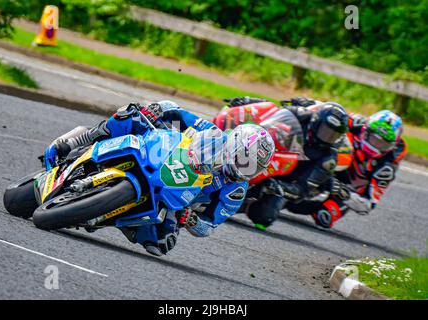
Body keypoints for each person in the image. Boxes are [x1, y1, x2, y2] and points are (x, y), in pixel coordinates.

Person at [44, 100, 275, 255]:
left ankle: (110, 215)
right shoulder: (212, 133)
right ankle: (78, 142)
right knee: (128, 116)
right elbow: (173, 109)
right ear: (234, 144)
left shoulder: (236, 190)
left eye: (254, 166)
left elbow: (209, 226)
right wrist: (153, 110)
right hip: (160, 154)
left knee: (161, 244)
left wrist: (191, 220)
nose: (246, 168)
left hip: (176, 201)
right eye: (245, 159)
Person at [222, 96, 349, 229]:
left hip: (283, 180)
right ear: (316, 121)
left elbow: (302, 190)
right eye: (325, 131)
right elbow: (273, 111)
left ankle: (240, 204)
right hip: (270, 150)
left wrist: (278, 186)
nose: (327, 137)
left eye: (332, 135)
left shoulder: (328, 160)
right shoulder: (302, 115)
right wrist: (249, 103)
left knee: (264, 217)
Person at [287, 109, 406, 228]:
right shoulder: (355, 122)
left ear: (391, 146)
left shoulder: (386, 168)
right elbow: (329, 112)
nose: (374, 145)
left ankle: (316, 196)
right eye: (373, 139)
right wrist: (305, 107)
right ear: (366, 130)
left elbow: (367, 205)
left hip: (346, 186)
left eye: (382, 144)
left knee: (323, 217)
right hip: (329, 158)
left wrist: (344, 192)